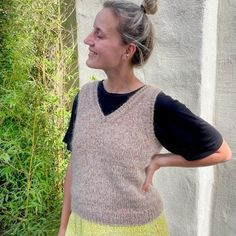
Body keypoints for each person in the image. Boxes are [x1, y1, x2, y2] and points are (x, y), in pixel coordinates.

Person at [58, 0, 232, 235]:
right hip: (81, 227)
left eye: (99, 35)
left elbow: (221, 152)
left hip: (135, 229)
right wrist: (64, 227)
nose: (88, 40)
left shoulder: (155, 106)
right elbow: (75, 164)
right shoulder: (85, 97)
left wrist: (162, 161)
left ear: (127, 50)